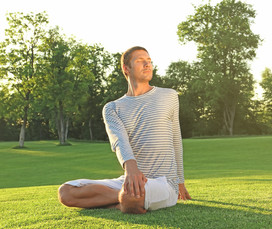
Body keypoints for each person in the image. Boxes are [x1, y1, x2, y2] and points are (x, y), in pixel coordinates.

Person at [58, 46, 191, 214]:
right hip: (129, 179)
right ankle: (122, 201)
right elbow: (119, 141)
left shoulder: (169, 96)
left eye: (149, 61)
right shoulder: (112, 108)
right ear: (126, 68)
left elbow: (175, 139)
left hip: (163, 183)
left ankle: (122, 201)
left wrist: (180, 182)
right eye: (140, 61)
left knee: (133, 198)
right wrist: (131, 169)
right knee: (66, 192)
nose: (147, 64)